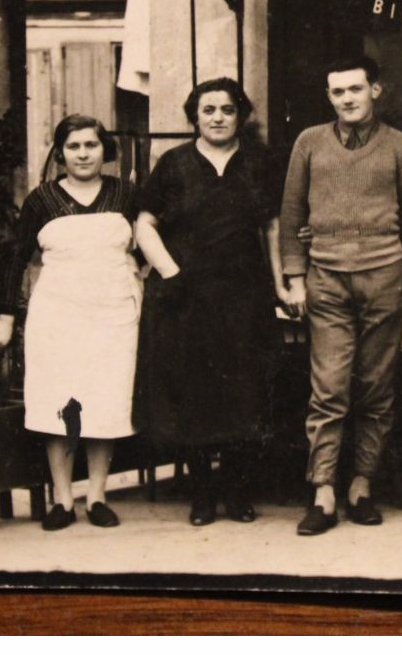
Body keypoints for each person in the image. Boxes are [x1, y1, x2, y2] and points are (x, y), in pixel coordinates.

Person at [278, 55, 402, 535]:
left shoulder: (401, 147)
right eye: (338, 92)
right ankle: (322, 491)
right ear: (329, 96)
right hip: (327, 279)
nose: (347, 99)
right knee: (330, 387)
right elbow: (291, 208)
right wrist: (296, 276)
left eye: (355, 90)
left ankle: (361, 485)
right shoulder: (309, 143)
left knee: (376, 386)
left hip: (384, 276)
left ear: (375, 91)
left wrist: (390, 259)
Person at [134, 78, 289, 526]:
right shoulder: (174, 163)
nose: (218, 117)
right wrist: (172, 273)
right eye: (208, 110)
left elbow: (272, 228)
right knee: (196, 398)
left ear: (240, 115)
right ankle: (202, 496)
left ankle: (238, 494)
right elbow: (145, 224)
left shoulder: (259, 162)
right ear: (194, 116)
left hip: (244, 295)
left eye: (227, 109)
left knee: (245, 395)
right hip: (188, 297)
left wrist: (280, 285)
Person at [0, 114, 142, 532]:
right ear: (60, 154)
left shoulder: (126, 194)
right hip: (58, 314)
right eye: (73, 147)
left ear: (104, 149)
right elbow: (17, 258)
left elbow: (147, 250)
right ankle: (62, 499)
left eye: (91, 145)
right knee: (61, 401)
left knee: (104, 402)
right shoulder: (41, 200)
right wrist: (5, 315)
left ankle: (96, 496)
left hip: (113, 314)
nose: (83, 154)